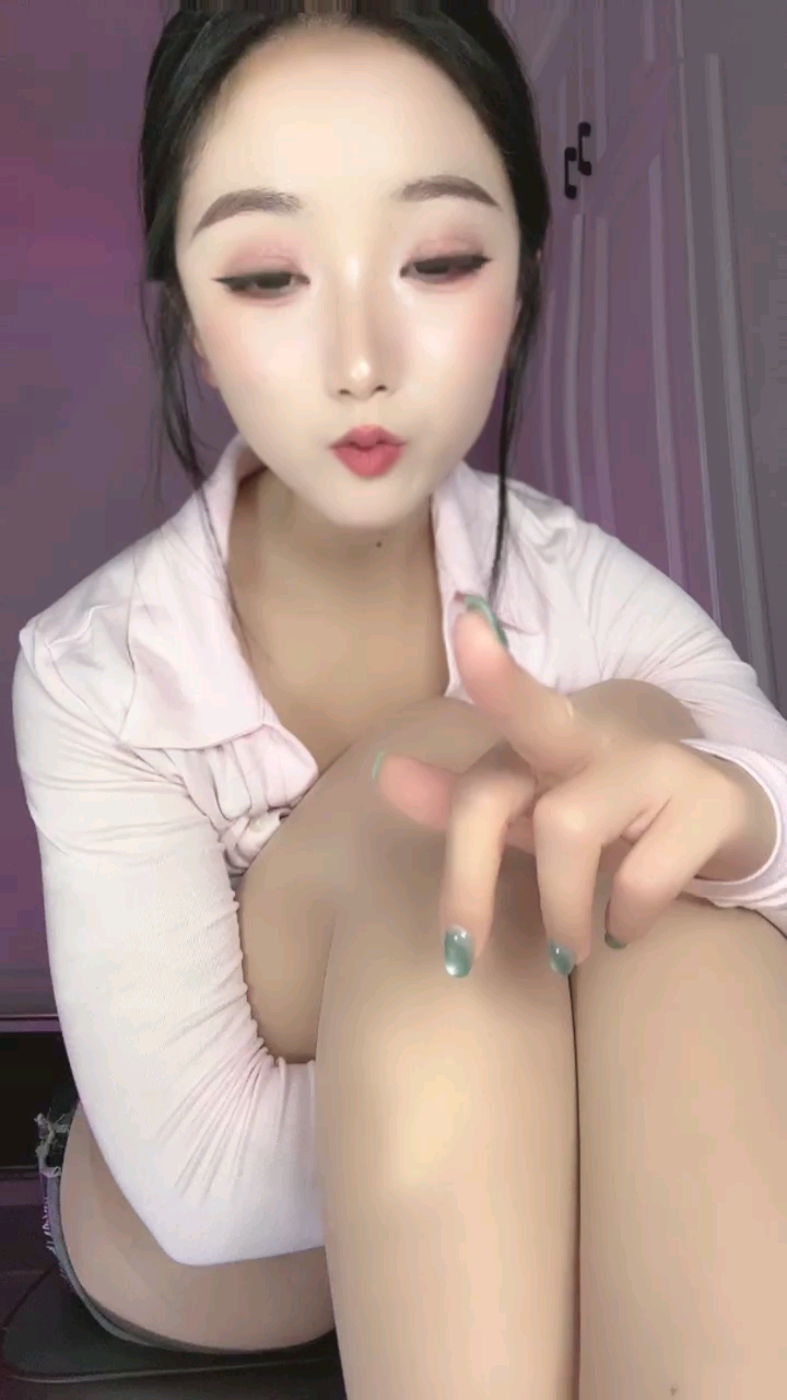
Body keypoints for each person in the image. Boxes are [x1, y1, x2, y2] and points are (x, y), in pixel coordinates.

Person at [12, 4, 786, 1397]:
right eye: (267, 277)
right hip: (210, 1249)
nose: (360, 357)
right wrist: (546, 1046)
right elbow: (201, 1188)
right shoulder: (95, 666)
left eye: (436, 261)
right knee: (453, 801)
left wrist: (739, 820)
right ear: (192, 323)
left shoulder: (583, 587)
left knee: (675, 874)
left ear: (520, 283)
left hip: (471, 1186)